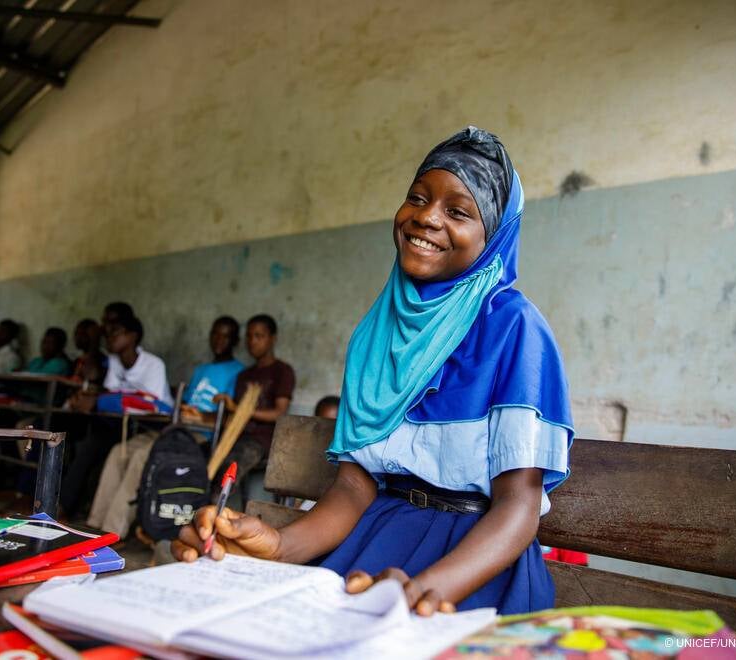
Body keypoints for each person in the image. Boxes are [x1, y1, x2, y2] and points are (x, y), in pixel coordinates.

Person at [173, 127, 574, 617]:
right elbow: (354, 487)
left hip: (473, 562)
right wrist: (278, 545)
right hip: (375, 538)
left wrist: (425, 590)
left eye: (457, 211)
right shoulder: (374, 335)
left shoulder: (513, 327)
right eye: (418, 198)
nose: (426, 217)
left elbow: (518, 509)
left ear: (494, 237)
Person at [86, 316, 245, 538]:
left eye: (226, 336)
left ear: (235, 341)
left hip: (200, 437)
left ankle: (111, 532)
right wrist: (183, 411)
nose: (219, 340)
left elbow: (229, 415)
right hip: (175, 431)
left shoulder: (238, 371)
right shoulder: (201, 369)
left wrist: (198, 417)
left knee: (144, 456)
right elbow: (184, 404)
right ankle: (93, 526)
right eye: (215, 334)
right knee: (120, 452)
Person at [60, 315, 172, 518]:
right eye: (107, 333)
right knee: (81, 436)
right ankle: (67, 507)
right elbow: (111, 393)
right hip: (121, 424)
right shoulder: (115, 362)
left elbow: (148, 404)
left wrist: (99, 401)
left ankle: (65, 507)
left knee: (92, 446)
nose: (109, 337)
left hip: (149, 427)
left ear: (133, 336)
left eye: (115, 332)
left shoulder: (153, 365)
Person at [211, 314, 295, 503]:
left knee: (229, 467)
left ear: (273, 338)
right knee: (204, 458)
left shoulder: (282, 371)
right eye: (249, 336)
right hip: (238, 436)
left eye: (259, 336)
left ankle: (215, 512)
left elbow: (279, 412)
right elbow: (234, 414)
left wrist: (242, 410)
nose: (252, 341)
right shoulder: (244, 375)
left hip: (262, 439)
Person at [70, 318, 107, 384]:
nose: (77, 337)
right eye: (76, 333)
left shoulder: (102, 361)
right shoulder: (77, 361)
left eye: (82, 334)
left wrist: (94, 342)